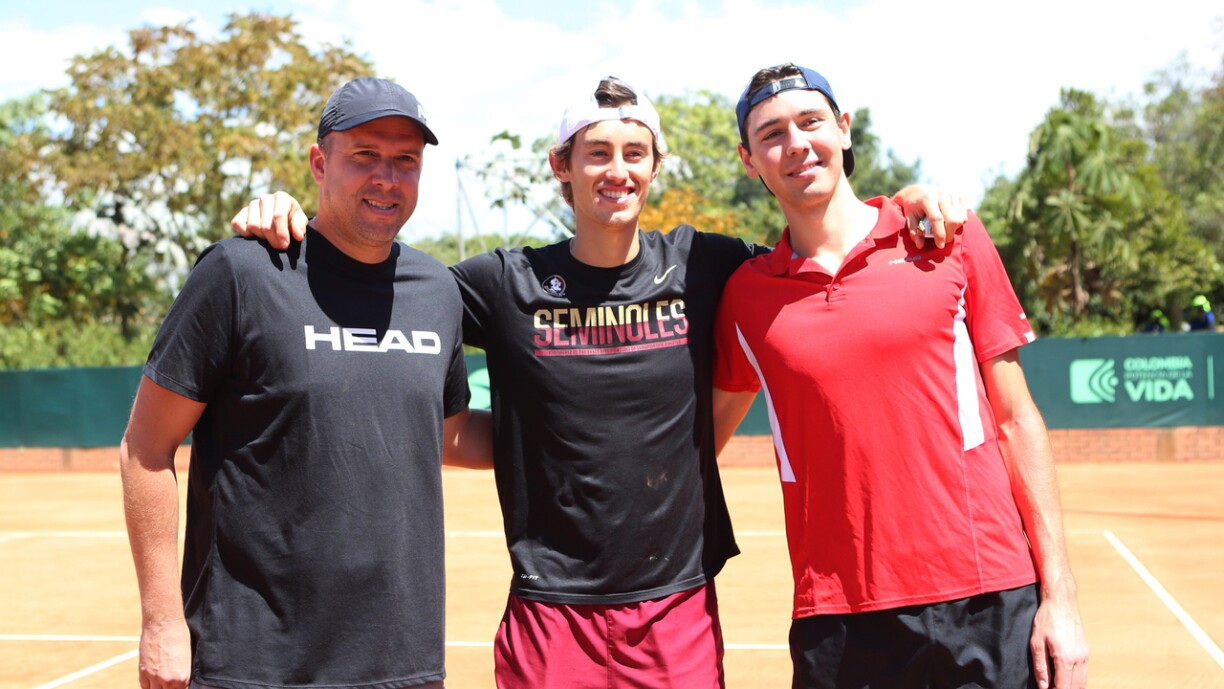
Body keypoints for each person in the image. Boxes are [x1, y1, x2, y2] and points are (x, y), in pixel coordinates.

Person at [232, 77, 964, 688]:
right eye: (597, 153)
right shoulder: (500, 281)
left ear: (654, 166)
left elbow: (820, 243)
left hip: (674, 605)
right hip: (550, 610)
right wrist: (291, 220)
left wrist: (903, 203)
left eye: (635, 152)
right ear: (562, 165)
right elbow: (377, 278)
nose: (617, 169)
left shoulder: (707, 266)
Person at [712, 64, 1089, 689]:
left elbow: (1017, 420)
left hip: (988, 596)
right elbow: (696, 442)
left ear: (844, 128)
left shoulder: (947, 238)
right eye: (771, 133)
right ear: (749, 159)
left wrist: (1063, 599)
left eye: (810, 121)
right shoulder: (747, 298)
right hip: (839, 617)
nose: (796, 143)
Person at [120, 77, 491, 689]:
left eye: (406, 161)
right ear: (320, 163)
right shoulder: (243, 271)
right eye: (364, 157)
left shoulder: (437, 291)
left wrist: (587, 434)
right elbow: (145, 449)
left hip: (402, 662)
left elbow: (450, 438)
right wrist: (162, 621)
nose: (386, 179)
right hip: (254, 661)